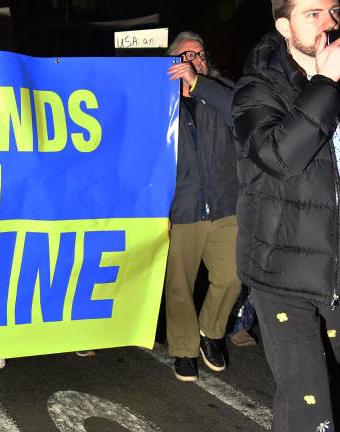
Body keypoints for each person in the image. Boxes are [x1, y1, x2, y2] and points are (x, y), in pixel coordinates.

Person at [231, 0, 340, 429]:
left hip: (335, 261)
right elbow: (279, 156)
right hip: (282, 271)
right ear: (284, 26)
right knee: (309, 409)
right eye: (313, 13)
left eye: (333, 11)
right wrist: (325, 82)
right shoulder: (255, 89)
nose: (328, 23)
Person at [164, 31, 240, 382]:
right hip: (182, 210)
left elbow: (239, 117)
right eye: (186, 55)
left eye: (200, 53)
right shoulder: (159, 104)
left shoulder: (224, 91)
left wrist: (199, 86)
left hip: (226, 208)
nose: (195, 59)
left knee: (232, 276)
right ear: (171, 63)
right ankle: (183, 351)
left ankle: (211, 331)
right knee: (178, 285)